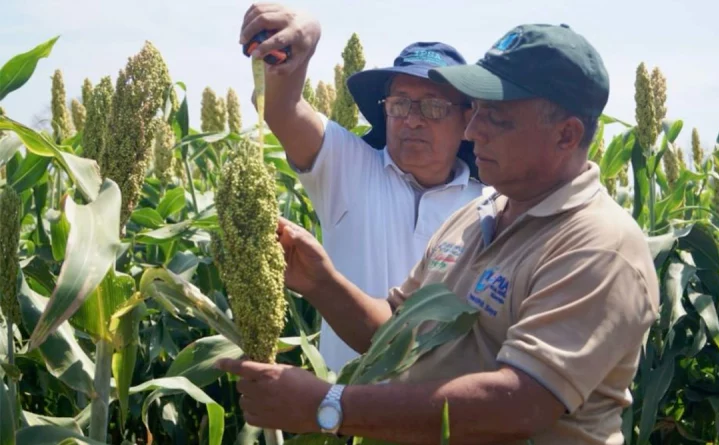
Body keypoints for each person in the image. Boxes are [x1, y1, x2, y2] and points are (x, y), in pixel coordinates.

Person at [220, 22, 660, 445]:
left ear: (567, 135)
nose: (472, 130)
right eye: (477, 112)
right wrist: (322, 282)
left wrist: (329, 405)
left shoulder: (598, 246)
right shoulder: (476, 215)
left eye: (496, 118)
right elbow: (396, 335)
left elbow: (519, 404)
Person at [239, 3, 487, 374]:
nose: (413, 120)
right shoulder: (348, 166)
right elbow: (281, 107)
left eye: (433, 107)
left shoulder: (490, 207)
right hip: (341, 417)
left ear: (467, 118)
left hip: (442, 423)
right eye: (400, 104)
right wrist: (305, 35)